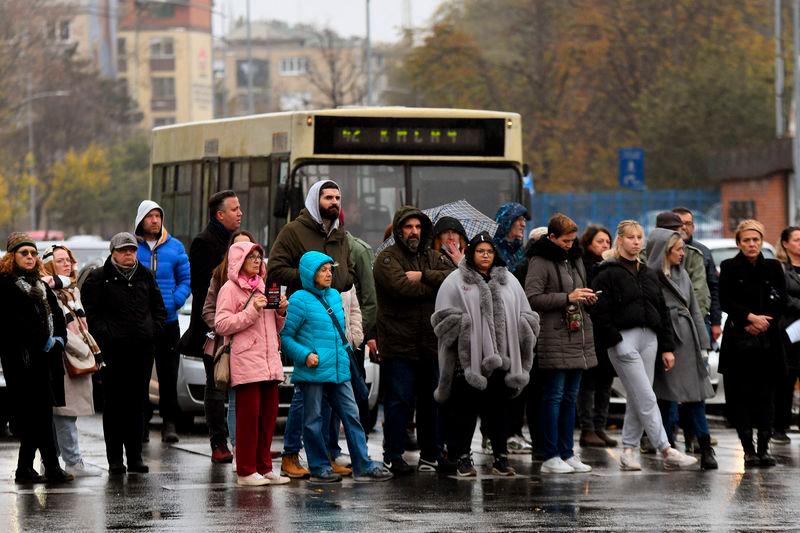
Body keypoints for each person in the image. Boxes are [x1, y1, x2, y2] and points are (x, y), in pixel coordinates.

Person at [591, 221, 697, 471]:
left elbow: (661, 309)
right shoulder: (606, 272)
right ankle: (665, 447)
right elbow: (599, 311)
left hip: (650, 338)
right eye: (631, 237)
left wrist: (667, 346)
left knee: (639, 396)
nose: (636, 241)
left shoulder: (648, 272)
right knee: (646, 396)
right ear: (620, 240)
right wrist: (615, 339)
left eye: (639, 237)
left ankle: (628, 450)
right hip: (624, 339)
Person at [267, 179, 356, 479]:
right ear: (314, 200)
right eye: (327, 197)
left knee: (330, 394)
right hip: (304, 317)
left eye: (337, 197)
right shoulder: (294, 231)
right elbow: (275, 268)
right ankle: (291, 454)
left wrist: (341, 278)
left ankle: (327, 454)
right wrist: (310, 278)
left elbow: (346, 272)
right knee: (305, 397)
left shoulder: (340, 234)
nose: (333, 202)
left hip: (331, 315)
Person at [280, 251, 393, 483]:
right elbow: (286, 338)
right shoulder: (299, 300)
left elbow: (339, 332)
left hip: (339, 369)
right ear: (310, 273)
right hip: (313, 370)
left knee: (352, 416)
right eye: (323, 270)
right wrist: (305, 355)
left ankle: (363, 464)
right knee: (313, 420)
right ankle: (320, 467)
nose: (328, 274)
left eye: (330, 269)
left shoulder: (333, 296)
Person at [433, 232, 539, 476]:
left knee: (499, 412)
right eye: (480, 251)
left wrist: (524, 329)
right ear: (471, 253)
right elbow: (441, 318)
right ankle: (462, 457)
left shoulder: (508, 280)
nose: (485, 255)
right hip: (468, 361)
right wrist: (464, 327)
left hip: (502, 359)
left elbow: (525, 312)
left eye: (489, 251)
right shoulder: (455, 280)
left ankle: (500, 457)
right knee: (465, 412)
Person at [373, 206, 455, 474]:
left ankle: (431, 454)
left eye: (418, 227)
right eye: (408, 227)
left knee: (432, 401)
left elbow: (451, 280)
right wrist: (432, 287)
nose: (414, 232)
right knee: (399, 401)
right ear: (399, 230)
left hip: (430, 343)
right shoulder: (387, 259)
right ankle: (393, 455)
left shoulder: (433, 257)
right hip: (399, 344)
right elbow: (401, 288)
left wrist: (423, 276)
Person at [83, 232, 167, 475]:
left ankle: (135, 457)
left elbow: (159, 309)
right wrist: (106, 336)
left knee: (137, 404)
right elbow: (92, 315)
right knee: (114, 406)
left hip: (141, 350)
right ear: (113, 253)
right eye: (123, 250)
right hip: (113, 352)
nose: (129, 254)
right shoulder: (99, 278)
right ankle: (115, 460)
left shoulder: (145, 275)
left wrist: (153, 330)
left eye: (132, 250)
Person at [525, 214, 597, 474]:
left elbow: (579, 289)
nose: (570, 244)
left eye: (572, 240)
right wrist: (567, 296)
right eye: (565, 241)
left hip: (577, 333)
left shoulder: (576, 257)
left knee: (570, 397)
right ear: (552, 237)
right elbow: (531, 297)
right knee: (553, 396)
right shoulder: (539, 259)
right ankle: (550, 454)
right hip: (553, 335)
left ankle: (567, 452)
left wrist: (585, 297)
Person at [214, 241, 290, 486]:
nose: (257, 261)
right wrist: (251, 312)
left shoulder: (265, 287)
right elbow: (222, 324)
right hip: (246, 361)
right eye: (252, 257)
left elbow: (274, 328)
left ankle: (264, 466)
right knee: (248, 419)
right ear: (239, 261)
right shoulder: (229, 289)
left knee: (268, 418)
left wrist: (280, 313)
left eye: (259, 257)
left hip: (269, 362)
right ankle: (246, 471)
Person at [0, 233, 72, 483]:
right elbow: (15, 324)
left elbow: (57, 316)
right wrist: (43, 340)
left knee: (40, 414)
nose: (30, 257)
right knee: (34, 415)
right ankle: (44, 467)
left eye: (33, 253)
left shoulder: (41, 285)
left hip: (45, 359)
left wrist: (59, 338)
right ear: (12, 257)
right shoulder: (6, 286)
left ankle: (33, 468)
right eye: (24, 253)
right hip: (22, 360)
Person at [646, 229, 717, 470]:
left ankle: (706, 447)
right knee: (665, 397)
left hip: (687, 340)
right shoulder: (651, 277)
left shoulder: (682, 273)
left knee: (695, 395)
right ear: (666, 252)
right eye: (678, 249)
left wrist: (703, 342)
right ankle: (668, 448)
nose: (682, 253)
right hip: (667, 342)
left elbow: (695, 309)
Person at [719, 219, 786, 468]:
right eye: (746, 240)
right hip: (739, 337)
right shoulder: (728, 266)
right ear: (739, 242)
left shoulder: (773, 267)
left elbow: (780, 300)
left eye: (756, 240)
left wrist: (764, 322)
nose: (751, 244)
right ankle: (748, 448)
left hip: (768, 339)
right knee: (741, 396)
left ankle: (764, 446)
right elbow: (725, 299)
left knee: (766, 395)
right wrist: (749, 318)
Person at [185, 190, 242, 463]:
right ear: (220, 215)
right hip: (213, 327)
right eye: (234, 209)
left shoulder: (237, 241)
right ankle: (218, 443)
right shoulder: (204, 242)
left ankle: (242, 442)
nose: (240, 213)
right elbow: (202, 291)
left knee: (241, 386)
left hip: (241, 325)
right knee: (216, 384)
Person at [41, 245, 103, 477]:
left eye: (69, 260)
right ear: (48, 265)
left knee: (65, 413)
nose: (67, 264)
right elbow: (60, 330)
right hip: (64, 358)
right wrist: (83, 349)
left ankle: (52, 462)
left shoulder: (71, 291)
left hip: (76, 356)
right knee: (63, 412)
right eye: (60, 261)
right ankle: (72, 462)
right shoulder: (49, 291)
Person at [135, 200, 191, 444]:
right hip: (140, 323)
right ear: (140, 220)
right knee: (141, 373)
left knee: (168, 374)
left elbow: (185, 281)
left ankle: (169, 423)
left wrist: (173, 301)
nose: (155, 220)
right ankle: (142, 423)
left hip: (168, 322)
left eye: (158, 216)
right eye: (150, 216)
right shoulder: (131, 248)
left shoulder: (175, 247)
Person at [202, 230, 256, 466]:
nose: (244, 254)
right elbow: (208, 311)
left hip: (252, 347)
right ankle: (225, 444)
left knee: (244, 399)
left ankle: (247, 447)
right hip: (225, 346)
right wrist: (226, 327)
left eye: (249, 249)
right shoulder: (220, 275)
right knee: (222, 395)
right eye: (238, 248)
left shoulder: (260, 279)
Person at [577, 225, 617, 448]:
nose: (604, 246)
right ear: (589, 243)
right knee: (588, 383)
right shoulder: (584, 266)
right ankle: (587, 428)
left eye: (607, 242)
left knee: (605, 383)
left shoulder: (611, 266)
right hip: (591, 329)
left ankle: (600, 427)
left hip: (608, 330)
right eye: (600, 241)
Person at [655, 211, 710, 317]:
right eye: (668, 230)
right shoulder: (645, 255)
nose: (672, 234)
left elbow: (700, 292)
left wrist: (684, 316)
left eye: (676, 230)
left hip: (691, 316)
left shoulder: (694, 254)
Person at [774, 226, 800, 443]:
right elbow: (781, 297)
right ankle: (780, 427)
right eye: (797, 240)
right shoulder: (780, 268)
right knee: (786, 379)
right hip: (790, 331)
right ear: (785, 243)